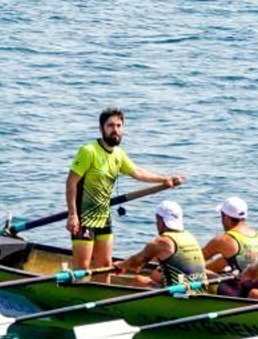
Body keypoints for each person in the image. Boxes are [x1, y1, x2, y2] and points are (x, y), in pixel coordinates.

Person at [65, 108, 184, 276]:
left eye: (119, 126)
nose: (115, 129)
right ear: (101, 128)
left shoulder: (119, 154)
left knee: (106, 265)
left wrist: (165, 179)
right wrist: (72, 215)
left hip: (104, 217)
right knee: (82, 269)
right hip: (84, 218)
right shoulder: (89, 151)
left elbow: (138, 172)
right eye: (110, 126)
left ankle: (104, 293)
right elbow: (71, 182)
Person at [119, 200, 206, 287]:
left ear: (162, 220)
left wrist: (119, 265)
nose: (156, 223)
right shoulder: (189, 236)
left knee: (138, 280)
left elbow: (134, 263)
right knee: (159, 273)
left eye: (157, 220)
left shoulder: (162, 241)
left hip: (179, 293)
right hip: (199, 288)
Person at [203, 196, 258, 295]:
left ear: (226, 218)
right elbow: (223, 261)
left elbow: (194, 261)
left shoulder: (225, 239)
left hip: (244, 293)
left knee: (199, 272)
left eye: (221, 216)